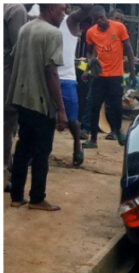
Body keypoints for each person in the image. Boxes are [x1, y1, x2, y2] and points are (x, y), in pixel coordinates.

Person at [6, 3, 68, 211]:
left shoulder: (26, 28)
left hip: (22, 98)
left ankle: (16, 196)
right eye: (62, 10)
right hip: (41, 102)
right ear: (51, 11)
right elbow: (52, 73)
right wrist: (60, 109)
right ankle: (37, 198)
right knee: (42, 151)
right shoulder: (52, 33)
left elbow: (13, 57)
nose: (64, 15)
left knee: (23, 147)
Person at [83, 5, 134, 149]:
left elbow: (128, 49)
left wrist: (132, 71)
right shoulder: (91, 33)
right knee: (94, 107)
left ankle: (118, 131)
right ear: (93, 21)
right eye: (97, 19)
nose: (101, 21)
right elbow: (89, 52)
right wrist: (89, 66)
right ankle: (93, 139)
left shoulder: (119, 28)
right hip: (99, 75)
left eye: (102, 18)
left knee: (116, 107)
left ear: (106, 17)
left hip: (115, 75)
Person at [58, 6, 88, 166]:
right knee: (42, 117)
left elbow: (87, 8)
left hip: (66, 77)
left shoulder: (70, 21)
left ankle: (77, 144)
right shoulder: (42, 18)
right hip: (45, 75)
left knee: (73, 120)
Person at [4, 3, 28, 186]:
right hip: (7, 73)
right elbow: (19, 50)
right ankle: (4, 167)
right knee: (8, 119)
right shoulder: (17, 10)